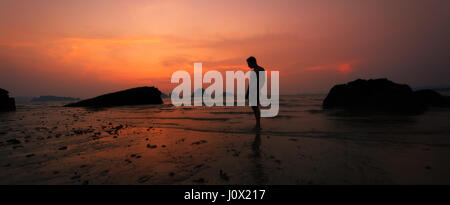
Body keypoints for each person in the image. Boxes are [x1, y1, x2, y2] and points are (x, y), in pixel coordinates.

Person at [246, 56, 265, 130]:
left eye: (248, 63)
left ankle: (258, 125)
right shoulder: (254, 71)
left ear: (252, 62)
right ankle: (258, 124)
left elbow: (262, 81)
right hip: (253, 91)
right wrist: (247, 93)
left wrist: (257, 89)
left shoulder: (260, 70)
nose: (248, 65)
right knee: (255, 108)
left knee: (256, 108)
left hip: (255, 91)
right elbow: (250, 83)